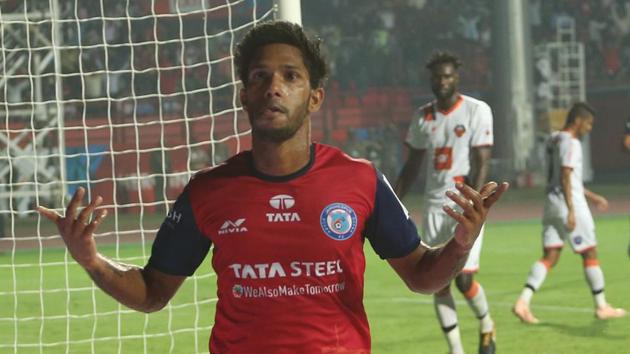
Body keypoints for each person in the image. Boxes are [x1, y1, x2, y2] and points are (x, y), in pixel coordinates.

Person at [37, 21, 508, 353]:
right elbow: (153, 292)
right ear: (243, 93)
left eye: (290, 76)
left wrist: (461, 241)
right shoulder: (208, 191)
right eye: (260, 77)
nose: (273, 88)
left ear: (315, 96)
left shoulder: (360, 179)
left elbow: (422, 275)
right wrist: (91, 259)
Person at [394, 51, 496, 354]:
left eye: (448, 75)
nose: (442, 81)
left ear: (457, 78)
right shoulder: (423, 116)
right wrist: (392, 200)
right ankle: (456, 350)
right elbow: (412, 165)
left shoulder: (477, 111)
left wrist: (474, 205)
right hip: (434, 208)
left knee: (464, 280)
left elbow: (482, 162)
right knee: (439, 282)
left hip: (466, 206)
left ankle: (487, 325)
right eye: (437, 76)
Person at [512, 102, 626, 324]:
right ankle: (602, 306)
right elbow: (566, 175)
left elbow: (567, 179)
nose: (590, 128)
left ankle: (523, 302)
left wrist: (593, 197)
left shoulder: (553, 139)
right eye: (589, 123)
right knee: (590, 252)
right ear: (578, 121)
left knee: (550, 256)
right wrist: (572, 210)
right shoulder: (572, 142)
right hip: (568, 204)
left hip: (551, 203)